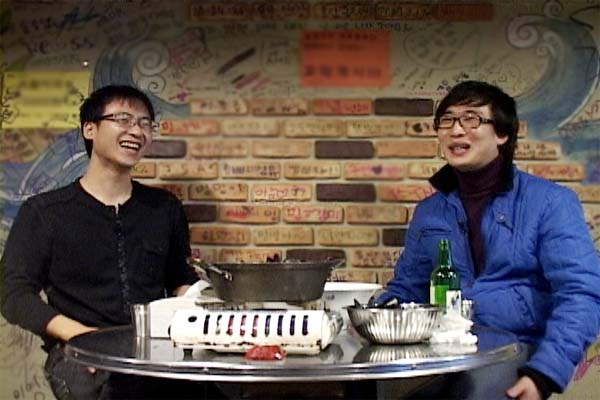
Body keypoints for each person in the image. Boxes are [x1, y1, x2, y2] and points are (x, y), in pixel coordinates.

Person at [377, 80, 600, 400]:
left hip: (516, 349)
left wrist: (543, 374)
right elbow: (407, 290)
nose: (456, 130)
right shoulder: (430, 212)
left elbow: (582, 292)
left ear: (502, 134)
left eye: (471, 119)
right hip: (443, 350)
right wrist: (370, 315)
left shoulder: (551, 202)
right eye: (447, 120)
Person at [0, 85, 201, 399]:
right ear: (89, 129)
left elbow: (179, 278)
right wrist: (82, 337)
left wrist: (203, 303)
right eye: (123, 119)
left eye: (145, 123)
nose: (136, 130)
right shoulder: (44, 212)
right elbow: (13, 293)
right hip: (78, 354)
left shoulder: (164, 208)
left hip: (152, 350)